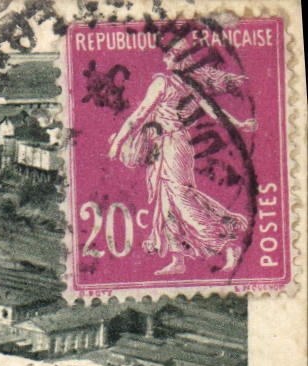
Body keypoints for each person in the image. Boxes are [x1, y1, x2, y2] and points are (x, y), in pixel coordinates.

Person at [108, 51, 257, 276]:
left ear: (176, 62)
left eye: (168, 57)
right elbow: (216, 112)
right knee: (166, 201)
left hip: (171, 146)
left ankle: (227, 245)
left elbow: (138, 115)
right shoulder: (191, 85)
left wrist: (117, 143)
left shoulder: (162, 83)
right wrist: (240, 124)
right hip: (172, 146)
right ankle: (178, 260)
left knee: (182, 200)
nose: (164, 60)